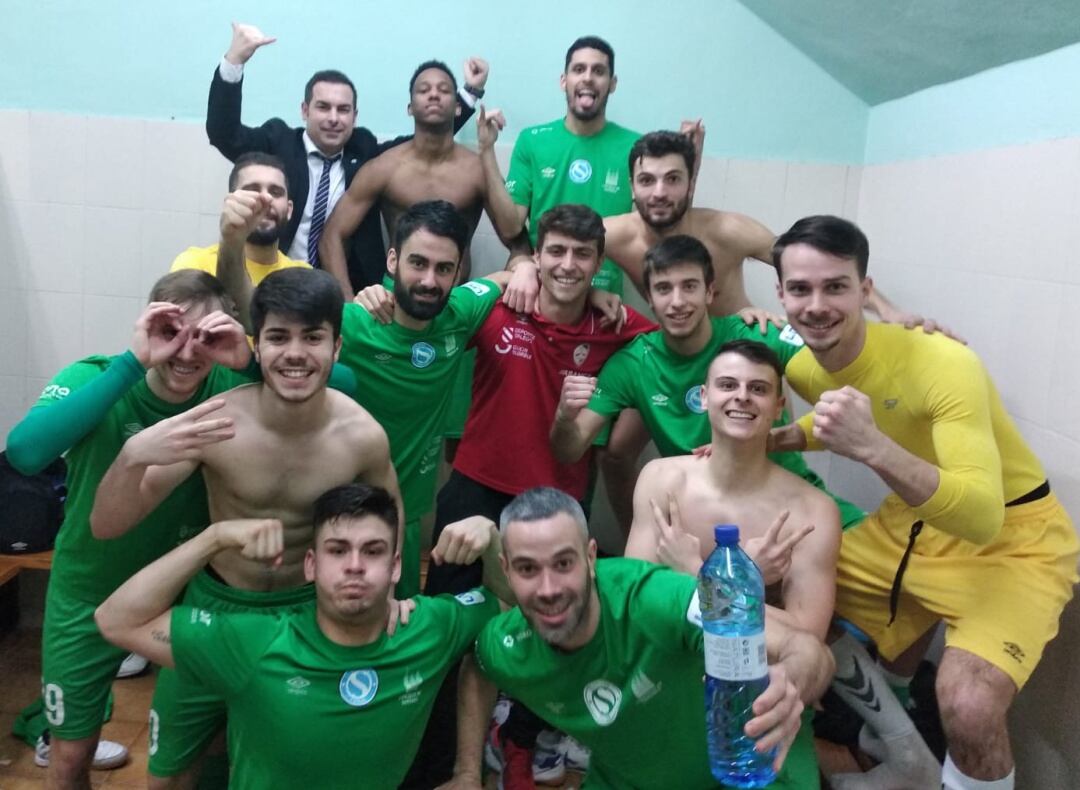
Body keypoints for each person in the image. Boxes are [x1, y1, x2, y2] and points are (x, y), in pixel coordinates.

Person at [771, 214, 1079, 790]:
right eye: (800, 289)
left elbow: (982, 516)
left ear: (866, 291)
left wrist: (873, 447)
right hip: (914, 521)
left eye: (836, 286)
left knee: (968, 705)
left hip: (1014, 541)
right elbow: (849, 412)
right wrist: (782, 437)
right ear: (781, 294)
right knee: (775, 592)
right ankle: (903, 752)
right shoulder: (806, 367)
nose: (816, 305)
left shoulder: (945, 362)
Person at [90, 268, 402, 788]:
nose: (295, 354)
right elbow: (106, 524)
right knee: (166, 778)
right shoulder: (217, 422)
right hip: (215, 611)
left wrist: (392, 597)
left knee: (284, 772)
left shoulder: (362, 436)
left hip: (307, 619)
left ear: (337, 347)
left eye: (313, 338)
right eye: (279, 337)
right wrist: (131, 455)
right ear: (257, 346)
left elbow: (391, 524)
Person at [4, 271, 252, 788]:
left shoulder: (231, 381)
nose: (186, 351)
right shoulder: (100, 376)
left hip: (185, 596)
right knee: (71, 754)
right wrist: (132, 363)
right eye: (171, 331)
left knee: (198, 744)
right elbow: (26, 453)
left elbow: (337, 385)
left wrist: (248, 359)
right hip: (89, 588)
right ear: (146, 325)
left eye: (203, 335)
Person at [94, 483, 505, 790]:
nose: (355, 566)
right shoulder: (254, 642)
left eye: (374, 551)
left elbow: (515, 607)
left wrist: (491, 540)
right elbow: (116, 620)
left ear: (396, 567)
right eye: (338, 550)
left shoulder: (430, 628)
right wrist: (212, 539)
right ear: (310, 565)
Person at [444, 486, 835, 789]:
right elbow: (479, 667)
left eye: (563, 563)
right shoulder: (508, 644)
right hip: (632, 779)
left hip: (756, 765)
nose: (548, 588)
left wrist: (793, 681)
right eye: (527, 569)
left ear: (591, 558)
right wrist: (465, 772)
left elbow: (806, 648)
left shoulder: (658, 598)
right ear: (505, 570)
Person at [624, 340, 842, 788]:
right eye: (727, 385)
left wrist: (694, 577)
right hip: (669, 680)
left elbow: (805, 639)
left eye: (758, 389)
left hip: (757, 695)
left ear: (779, 406)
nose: (742, 396)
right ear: (703, 397)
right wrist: (746, 587)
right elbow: (636, 602)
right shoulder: (662, 479)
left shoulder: (812, 510)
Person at [549, 235, 865, 531]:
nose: (677, 302)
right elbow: (569, 449)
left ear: (709, 291)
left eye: (689, 286)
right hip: (708, 516)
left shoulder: (758, 334)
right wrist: (564, 417)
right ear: (649, 297)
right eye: (663, 289)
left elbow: (850, 382)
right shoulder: (632, 364)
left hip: (794, 498)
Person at [427, 203, 654, 597]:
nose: (568, 264)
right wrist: (516, 271)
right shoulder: (498, 306)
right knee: (448, 613)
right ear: (537, 255)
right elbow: (433, 311)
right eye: (556, 251)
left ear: (599, 261)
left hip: (558, 496)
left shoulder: (613, 322)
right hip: (476, 484)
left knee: (553, 619)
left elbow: (676, 349)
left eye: (582, 254)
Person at [206, 22, 485, 290]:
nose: (333, 118)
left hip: (344, 289)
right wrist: (235, 61)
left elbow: (424, 141)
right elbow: (224, 134)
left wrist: (468, 94)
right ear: (305, 110)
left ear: (355, 116)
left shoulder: (363, 150)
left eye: (343, 109)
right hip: (275, 278)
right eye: (323, 107)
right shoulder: (278, 142)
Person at [601, 130, 928, 324]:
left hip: (745, 358)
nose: (659, 193)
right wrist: (592, 294)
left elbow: (815, 265)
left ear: (691, 185)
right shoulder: (616, 235)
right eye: (648, 180)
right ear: (632, 187)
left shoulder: (727, 230)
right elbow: (555, 261)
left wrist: (887, 309)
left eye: (673, 179)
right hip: (675, 356)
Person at [319, 60, 520, 299]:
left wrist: (514, 296)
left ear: (458, 106)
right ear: (410, 107)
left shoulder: (478, 169)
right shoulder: (384, 167)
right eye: (424, 90)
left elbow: (515, 236)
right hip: (394, 303)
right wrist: (348, 306)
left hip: (456, 303)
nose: (434, 95)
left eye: (444, 90)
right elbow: (332, 235)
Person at [172, 152, 309, 330]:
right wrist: (231, 240)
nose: (265, 199)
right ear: (230, 203)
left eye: (276, 192)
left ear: (289, 210)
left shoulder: (301, 275)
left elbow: (256, 326)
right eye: (252, 190)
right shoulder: (194, 263)